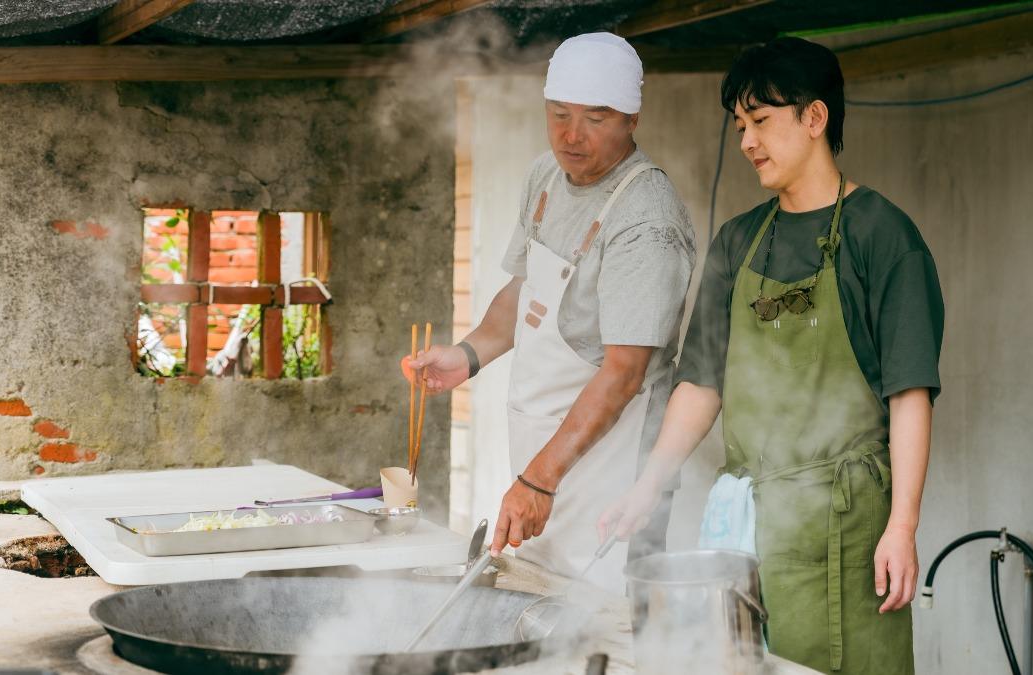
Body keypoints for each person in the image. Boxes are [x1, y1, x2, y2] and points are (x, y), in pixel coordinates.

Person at [599, 37, 944, 673]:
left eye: (761, 121)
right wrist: (647, 485)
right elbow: (701, 386)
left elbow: (910, 394)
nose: (748, 141)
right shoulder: (739, 242)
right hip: (752, 534)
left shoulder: (883, 236)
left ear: (815, 119)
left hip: (845, 533)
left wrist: (903, 526)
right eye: (741, 126)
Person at [404, 32, 695, 592]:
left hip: (615, 478)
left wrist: (539, 481)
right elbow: (525, 291)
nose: (571, 135)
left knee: (605, 631)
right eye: (559, 114)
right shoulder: (545, 176)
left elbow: (624, 373)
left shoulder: (647, 219)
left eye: (595, 118)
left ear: (632, 119)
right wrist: (467, 355)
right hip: (546, 466)